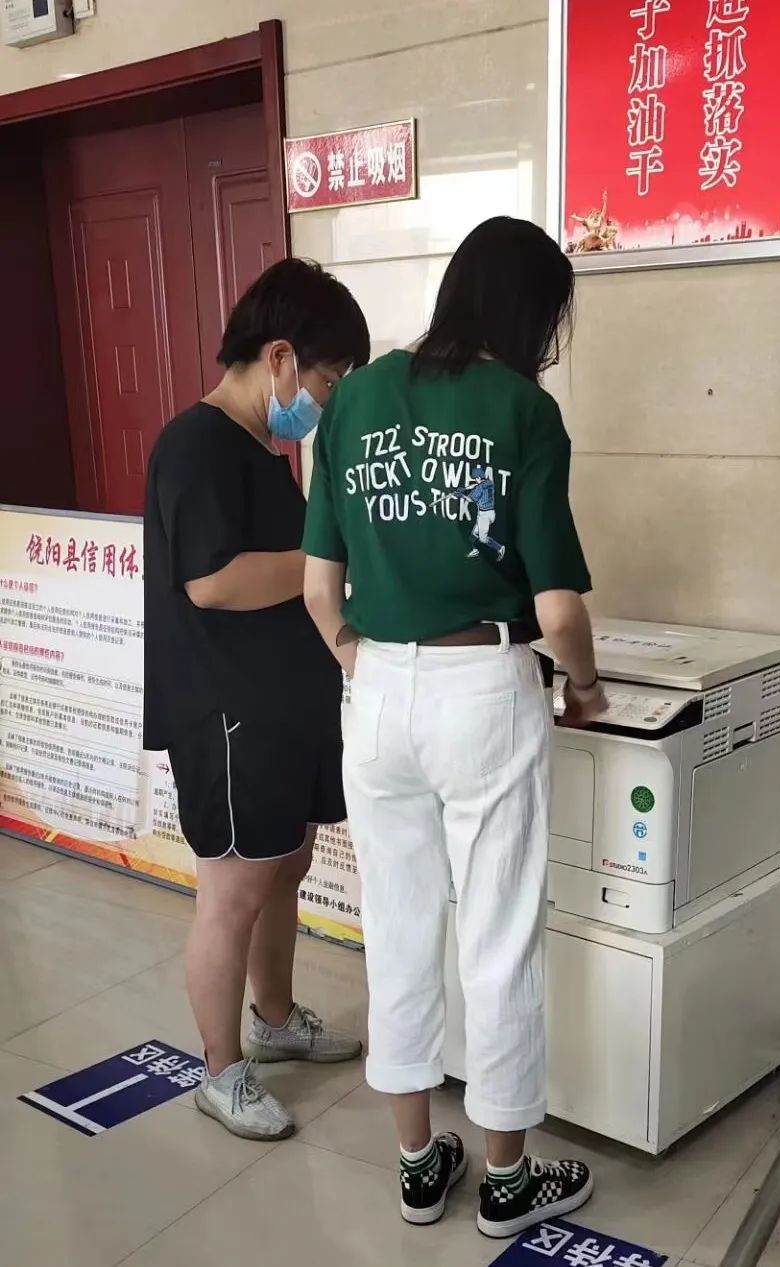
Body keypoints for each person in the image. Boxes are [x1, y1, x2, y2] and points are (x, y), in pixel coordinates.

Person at [302, 217, 607, 1238]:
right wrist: (586, 686)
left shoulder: (357, 400)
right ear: (529, 313)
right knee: (498, 935)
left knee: (397, 928)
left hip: (379, 695)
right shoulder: (524, 409)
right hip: (485, 688)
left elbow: (318, 588)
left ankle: (417, 1166)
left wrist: (364, 660)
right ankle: (507, 1183)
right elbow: (558, 609)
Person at [143, 259, 370, 1141]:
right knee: (233, 890)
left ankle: (273, 1019)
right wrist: (327, 560)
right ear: (279, 357)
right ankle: (220, 1070)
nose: (326, 399)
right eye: (328, 380)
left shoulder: (261, 451)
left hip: (283, 707)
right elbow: (214, 580)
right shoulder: (196, 445)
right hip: (228, 714)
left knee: (286, 863)